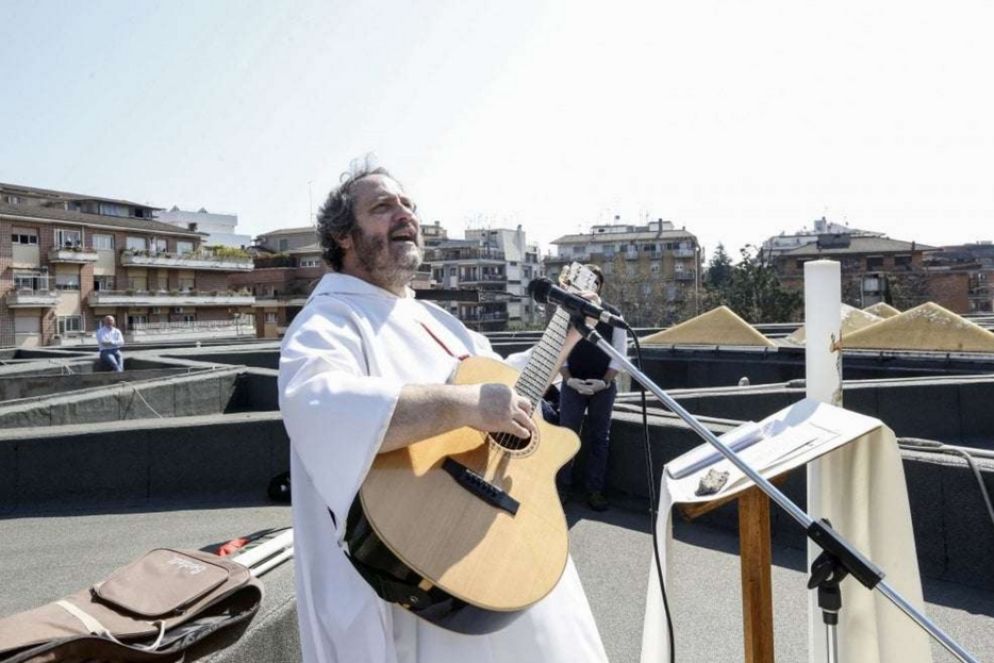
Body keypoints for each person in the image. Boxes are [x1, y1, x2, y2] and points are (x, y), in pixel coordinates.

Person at [278, 165, 608, 663]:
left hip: (501, 545)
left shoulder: (440, 321)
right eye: (383, 207)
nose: (405, 214)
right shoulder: (328, 319)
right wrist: (467, 405)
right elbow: (319, 404)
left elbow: (506, 392)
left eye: (408, 205)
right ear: (343, 235)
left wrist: (566, 336)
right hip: (415, 567)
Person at [557, 265, 627, 511]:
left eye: (595, 282)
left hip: (602, 386)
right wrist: (568, 379)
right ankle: (561, 488)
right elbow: (558, 352)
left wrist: (605, 382)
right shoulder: (566, 313)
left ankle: (594, 490)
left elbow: (619, 354)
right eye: (587, 280)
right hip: (572, 384)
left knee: (600, 438)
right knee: (566, 436)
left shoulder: (613, 315)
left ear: (600, 286)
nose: (591, 285)